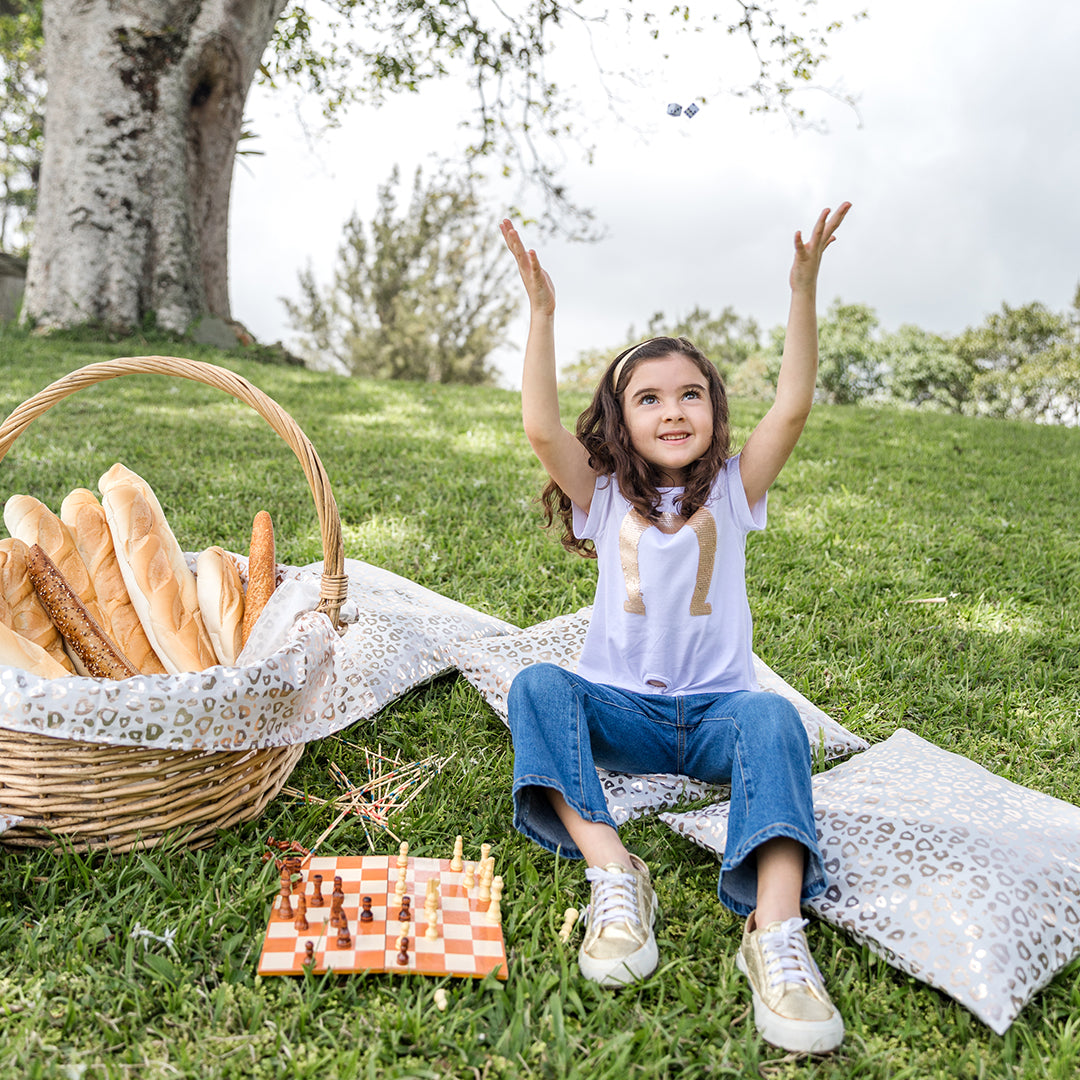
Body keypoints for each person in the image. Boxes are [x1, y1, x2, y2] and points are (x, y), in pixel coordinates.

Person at [499, 202, 852, 1056]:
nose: (672, 410)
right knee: (537, 686)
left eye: (690, 394)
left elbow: (795, 406)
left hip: (721, 717)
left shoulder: (734, 487)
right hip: (624, 716)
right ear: (622, 419)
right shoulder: (605, 496)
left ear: (713, 411)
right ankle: (615, 869)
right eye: (649, 397)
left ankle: (774, 935)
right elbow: (541, 426)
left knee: (776, 717)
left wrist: (802, 290)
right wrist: (543, 315)